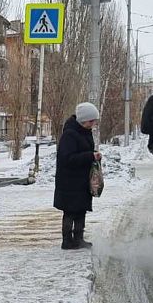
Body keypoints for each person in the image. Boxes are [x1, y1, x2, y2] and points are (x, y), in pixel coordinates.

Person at [54, 102, 101, 250]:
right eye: (91, 121)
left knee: (81, 209)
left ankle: (79, 238)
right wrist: (90, 156)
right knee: (70, 211)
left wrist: (94, 157)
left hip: (80, 180)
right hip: (70, 181)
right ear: (83, 120)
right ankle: (67, 241)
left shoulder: (83, 132)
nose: (93, 124)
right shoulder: (70, 134)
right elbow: (67, 158)